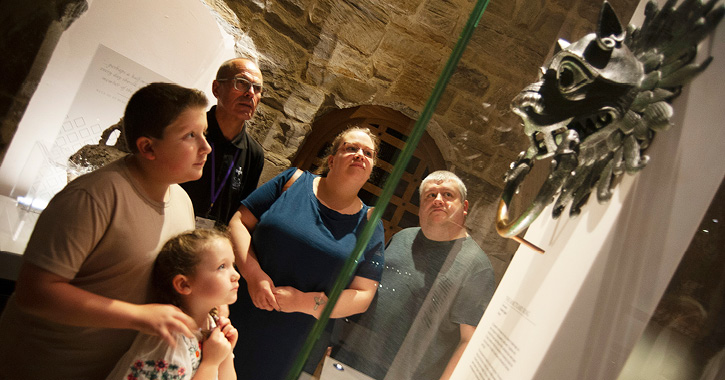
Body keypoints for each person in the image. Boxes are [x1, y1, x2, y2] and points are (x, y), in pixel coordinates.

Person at [0, 82, 211, 379]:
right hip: (43, 366)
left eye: (204, 133)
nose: (206, 147)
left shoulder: (182, 202)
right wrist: (138, 316)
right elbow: (35, 292)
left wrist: (212, 312)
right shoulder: (91, 197)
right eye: (190, 135)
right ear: (147, 147)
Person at [227, 126, 386, 380]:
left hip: (289, 344)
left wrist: (304, 302)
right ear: (332, 160)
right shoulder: (293, 181)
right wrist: (253, 274)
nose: (360, 155)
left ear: (371, 170)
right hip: (233, 309)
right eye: (351, 148)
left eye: (368, 153)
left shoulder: (370, 223)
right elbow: (239, 222)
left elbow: (364, 294)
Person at [332, 170, 496, 380]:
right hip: (347, 362)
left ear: (464, 207)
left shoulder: (476, 265)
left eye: (448, 195)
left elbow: (469, 340)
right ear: (421, 206)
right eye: (430, 195)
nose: (438, 200)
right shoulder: (402, 237)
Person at [106, 228, 239, 380]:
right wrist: (211, 363)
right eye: (222, 266)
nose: (236, 275)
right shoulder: (170, 340)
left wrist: (226, 353)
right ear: (183, 284)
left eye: (233, 265)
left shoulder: (212, 324)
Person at [181, 57, 265, 229]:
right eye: (241, 83)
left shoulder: (254, 154)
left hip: (208, 244)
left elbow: (239, 213)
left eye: (257, 88)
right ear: (216, 88)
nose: (250, 93)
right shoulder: (188, 129)